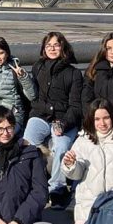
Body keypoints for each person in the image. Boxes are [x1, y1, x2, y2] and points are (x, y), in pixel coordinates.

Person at [22, 31, 83, 208]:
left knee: (61, 146)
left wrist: (63, 123)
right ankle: (30, 183)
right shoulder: (38, 68)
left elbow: (76, 106)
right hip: (40, 116)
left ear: (63, 47)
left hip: (64, 120)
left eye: (56, 45)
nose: (52, 48)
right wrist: (49, 109)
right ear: (43, 49)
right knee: (27, 143)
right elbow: (34, 100)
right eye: (48, 45)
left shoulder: (73, 73)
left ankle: (57, 188)